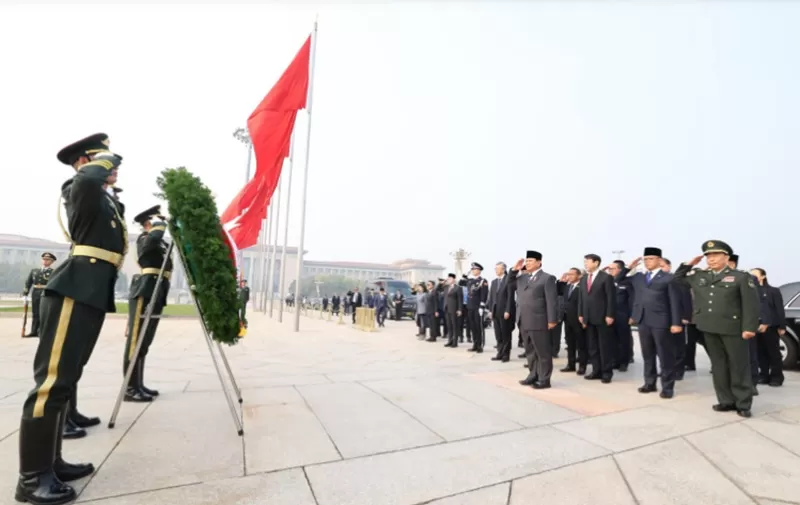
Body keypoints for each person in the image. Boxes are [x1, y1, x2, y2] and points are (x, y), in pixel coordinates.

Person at [16, 134, 126, 505]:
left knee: (67, 379)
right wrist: (110, 157)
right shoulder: (77, 186)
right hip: (74, 289)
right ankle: (31, 479)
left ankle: (53, 462)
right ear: (85, 161)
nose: (113, 169)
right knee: (51, 382)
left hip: (92, 290)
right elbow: (89, 179)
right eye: (103, 159)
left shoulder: (104, 199)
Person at [673, 240, 760, 418]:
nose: (711, 259)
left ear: (726, 257)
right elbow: (677, 279)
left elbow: (751, 305)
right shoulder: (699, 275)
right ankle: (725, 400)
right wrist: (689, 264)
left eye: (715, 255)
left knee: (738, 366)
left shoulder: (741, 277)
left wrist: (749, 327)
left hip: (733, 328)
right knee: (719, 366)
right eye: (708, 256)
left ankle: (743, 403)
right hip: (709, 328)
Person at [122, 205, 173, 403]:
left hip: (157, 289)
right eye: (157, 221)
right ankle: (129, 388)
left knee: (145, 341)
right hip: (145, 290)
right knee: (135, 340)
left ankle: (138, 384)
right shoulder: (145, 239)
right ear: (148, 223)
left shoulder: (159, 243)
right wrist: (160, 224)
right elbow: (153, 239)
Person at [624, 249, 683, 399]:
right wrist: (628, 267)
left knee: (665, 356)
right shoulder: (639, 277)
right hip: (643, 321)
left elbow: (674, 302)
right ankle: (649, 383)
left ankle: (667, 387)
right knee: (647, 354)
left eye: (651, 258)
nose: (647, 261)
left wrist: (676, 323)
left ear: (659, 260)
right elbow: (618, 279)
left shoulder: (668, 278)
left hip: (661, 321)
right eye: (645, 259)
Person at [508, 252, 558, 389]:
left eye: (530, 260)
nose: (527, 263)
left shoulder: (547, 278)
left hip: (539, 319)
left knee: (542, 352)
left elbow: (551, 300)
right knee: (530, 351)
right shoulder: (522, 278)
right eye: (526, 261)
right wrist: (514, 269)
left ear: (539, 262)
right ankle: (533, 375)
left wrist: (552, 319)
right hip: (523, 319)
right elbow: (508, 283)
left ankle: (544, 379)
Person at [578, 254, 617, 383]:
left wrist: (610, 315)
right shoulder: (584, 279)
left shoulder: (606, 278)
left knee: (604, 346)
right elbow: (581, 299)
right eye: (584, 262)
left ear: (596, 263)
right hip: (588, 318)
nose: (585, 264)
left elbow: (611, 298)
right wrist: (581, 314)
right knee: (592, 346)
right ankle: (596, 370)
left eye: (587, 262)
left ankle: (606, 372)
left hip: (603, 317)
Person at [750, 268, 786, 387]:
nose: (752, 276)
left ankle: (777, 376)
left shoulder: (773, 291)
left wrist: (782, 325)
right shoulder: (751, 291)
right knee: (759, 352)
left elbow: (779, 309)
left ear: (763, 276)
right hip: (755, 326)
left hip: (771, 326)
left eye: (755, 274)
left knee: (773, 352)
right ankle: (764, 375)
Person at [606, 260, 634, 372]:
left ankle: (624, 362)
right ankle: (615, 361)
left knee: (624, 340)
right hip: (610, 315)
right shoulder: (608, 281)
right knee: (612, 340)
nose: (610, 271)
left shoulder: (627, 282)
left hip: (623, 315)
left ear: (620, 270)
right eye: (609, 269)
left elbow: (632, 299)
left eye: (612, 269)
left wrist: (632, 315)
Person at [22, 253, 57, 338]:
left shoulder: (53, 272)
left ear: (52, 262)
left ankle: (42, 332)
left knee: (44, 313)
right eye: (44, 259)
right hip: (35, 292)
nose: (45, 261)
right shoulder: (34, 271)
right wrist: (25, 294)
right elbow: (28, 282)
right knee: (35, 312)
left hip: (46, 293)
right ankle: (34, 331)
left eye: (48, 260)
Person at [558, 268, 586, 374]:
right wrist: (561, 280)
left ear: (579, 276)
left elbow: (584, 303)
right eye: (568, 274)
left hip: (578, 319)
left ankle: (582, 366)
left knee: (581, 344)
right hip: (567, 319)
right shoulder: (567, 286)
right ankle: (571, 364)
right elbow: (558, 292)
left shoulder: (582, 287)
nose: (569, 276)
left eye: (572, 274)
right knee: (570, 344)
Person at [487, 262, 514, 362]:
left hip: (504, 312)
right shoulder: (494, 282)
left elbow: (510, 297)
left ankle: (506, 355)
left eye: (498, 269)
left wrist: (508, 310)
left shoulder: (508, 280)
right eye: (495, 269)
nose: (496, 271)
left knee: (506, 334)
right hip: (495, 311)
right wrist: (490, 310)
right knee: (498, 334)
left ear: (503, 269)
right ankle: (500, 353)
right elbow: (491, 297)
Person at [466, 263, 489, 353]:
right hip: (470, 307)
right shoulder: (470, 281)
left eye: (475, 269)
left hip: (478, 307)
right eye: (472, 269)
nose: (473, 270)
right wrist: (466, 274)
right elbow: (461, 282)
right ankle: (475, 344)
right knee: (472, 327)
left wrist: (482, 306)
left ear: (479, 270)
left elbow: (484, 294)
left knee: (478, 326)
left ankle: (480, 345)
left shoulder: (483, 281)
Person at [443, 273, 463, 347]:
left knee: (455, 326)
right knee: (449, 326)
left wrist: (460, 309)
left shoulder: (458, 288)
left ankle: (455, 342)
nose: (448, 280)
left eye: (450, 279)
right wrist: (443, 282)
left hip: (454, 309)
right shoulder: (446, 287)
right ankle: (450, 340)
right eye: (448, 279)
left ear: (454, 279)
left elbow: (460, 299)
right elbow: (438, 289)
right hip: (446, 308)